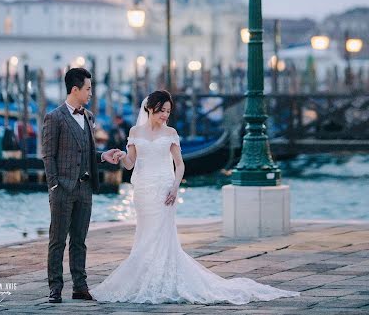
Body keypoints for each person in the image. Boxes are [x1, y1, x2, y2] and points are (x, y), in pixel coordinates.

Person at [90, 90, 300, 306]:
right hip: (142, 190)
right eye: (162, 110)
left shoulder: (170, 132)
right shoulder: (135, 132)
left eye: (168, 111)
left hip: (164, 189)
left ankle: (162, 279)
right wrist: (121, 156)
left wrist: (174, 187)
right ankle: (146, 277)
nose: (165, 115)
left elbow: (180, 164)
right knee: (144, 234)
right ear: (150, 109)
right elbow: (130, 164)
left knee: (161, 235)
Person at [41, 67, 121, 304]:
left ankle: (80, 286)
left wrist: (102, 156)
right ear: (74, 89)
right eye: (87, 89)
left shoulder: (89, 116)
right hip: (62, 189)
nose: (90, 93)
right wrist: (54, 186)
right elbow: (48, 156)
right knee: (57, 240)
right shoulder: (54, 117)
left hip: (85, 189)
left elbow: (86, 153)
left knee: (79, 241)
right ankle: (55, 288)